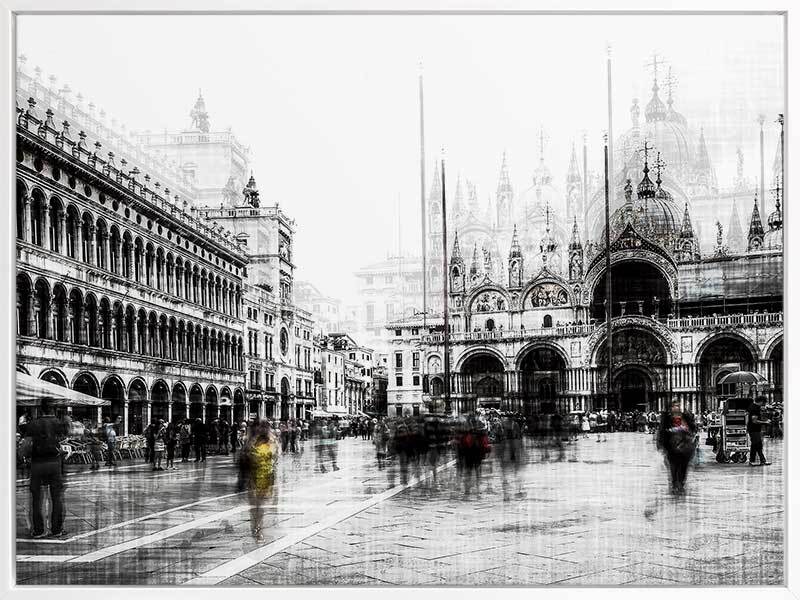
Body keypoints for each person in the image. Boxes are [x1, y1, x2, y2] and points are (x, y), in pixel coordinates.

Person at [24, 398, 69, 538]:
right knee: (56, 497)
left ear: (40, 409)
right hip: (54, 463)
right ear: (53, 409)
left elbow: (25, 446)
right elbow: (65, 439)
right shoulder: (58, 423)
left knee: (36, 498)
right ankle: (56, 529)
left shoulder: (33, 424)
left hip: (37, 464)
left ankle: (38, 530)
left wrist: (26, 457)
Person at [656, 401, 697, 495]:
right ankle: (675, 484)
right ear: (671, 408)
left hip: (685, 448)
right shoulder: (667, 418)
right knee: (673, 468)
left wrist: (686, 429)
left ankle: (681, 484)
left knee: (683, 467)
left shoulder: (685, 417)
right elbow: (661, 431)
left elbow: (693, 428)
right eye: (674, 406)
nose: (676, 407)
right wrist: (660, 444)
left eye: (678, 406)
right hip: (671, 448)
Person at [747, 396, 771, 467]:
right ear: (761, 401)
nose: (764, 404)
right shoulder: (755, 408)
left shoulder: (752, 406)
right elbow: (754, 421)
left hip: (753, 429)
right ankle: (754, 461)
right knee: (756, 445)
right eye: (764, 402)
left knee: (756, 445)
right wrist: (765, 422)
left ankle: (760, 460)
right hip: (754, 429)